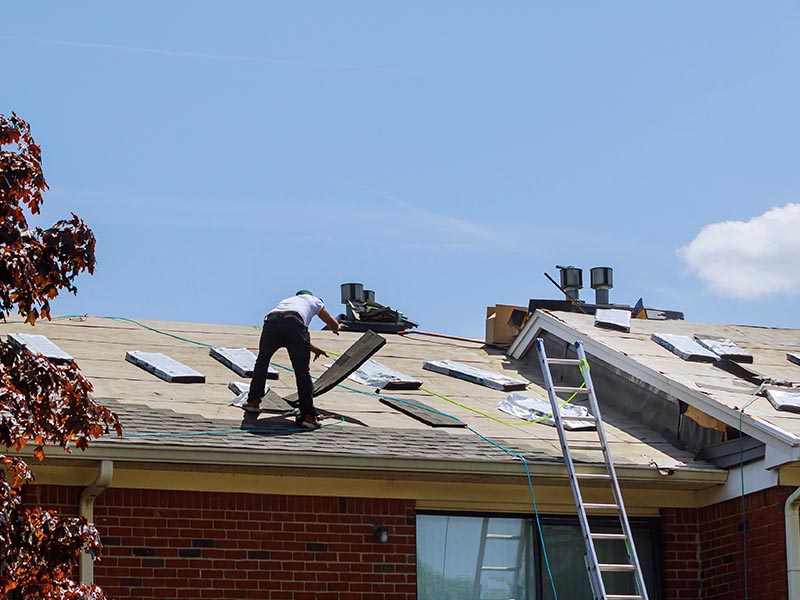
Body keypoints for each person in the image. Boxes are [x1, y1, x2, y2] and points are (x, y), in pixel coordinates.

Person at [244, 290, 343, 429]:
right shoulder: (315, 300)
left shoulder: (288, 301)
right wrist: (336, 327)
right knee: (302, 371)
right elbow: (329, 323)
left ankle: (253, 402)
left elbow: (289, 330)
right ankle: (308, 416)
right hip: (294, 324)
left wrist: (313, 348)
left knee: (262, 362)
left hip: (271, 322)